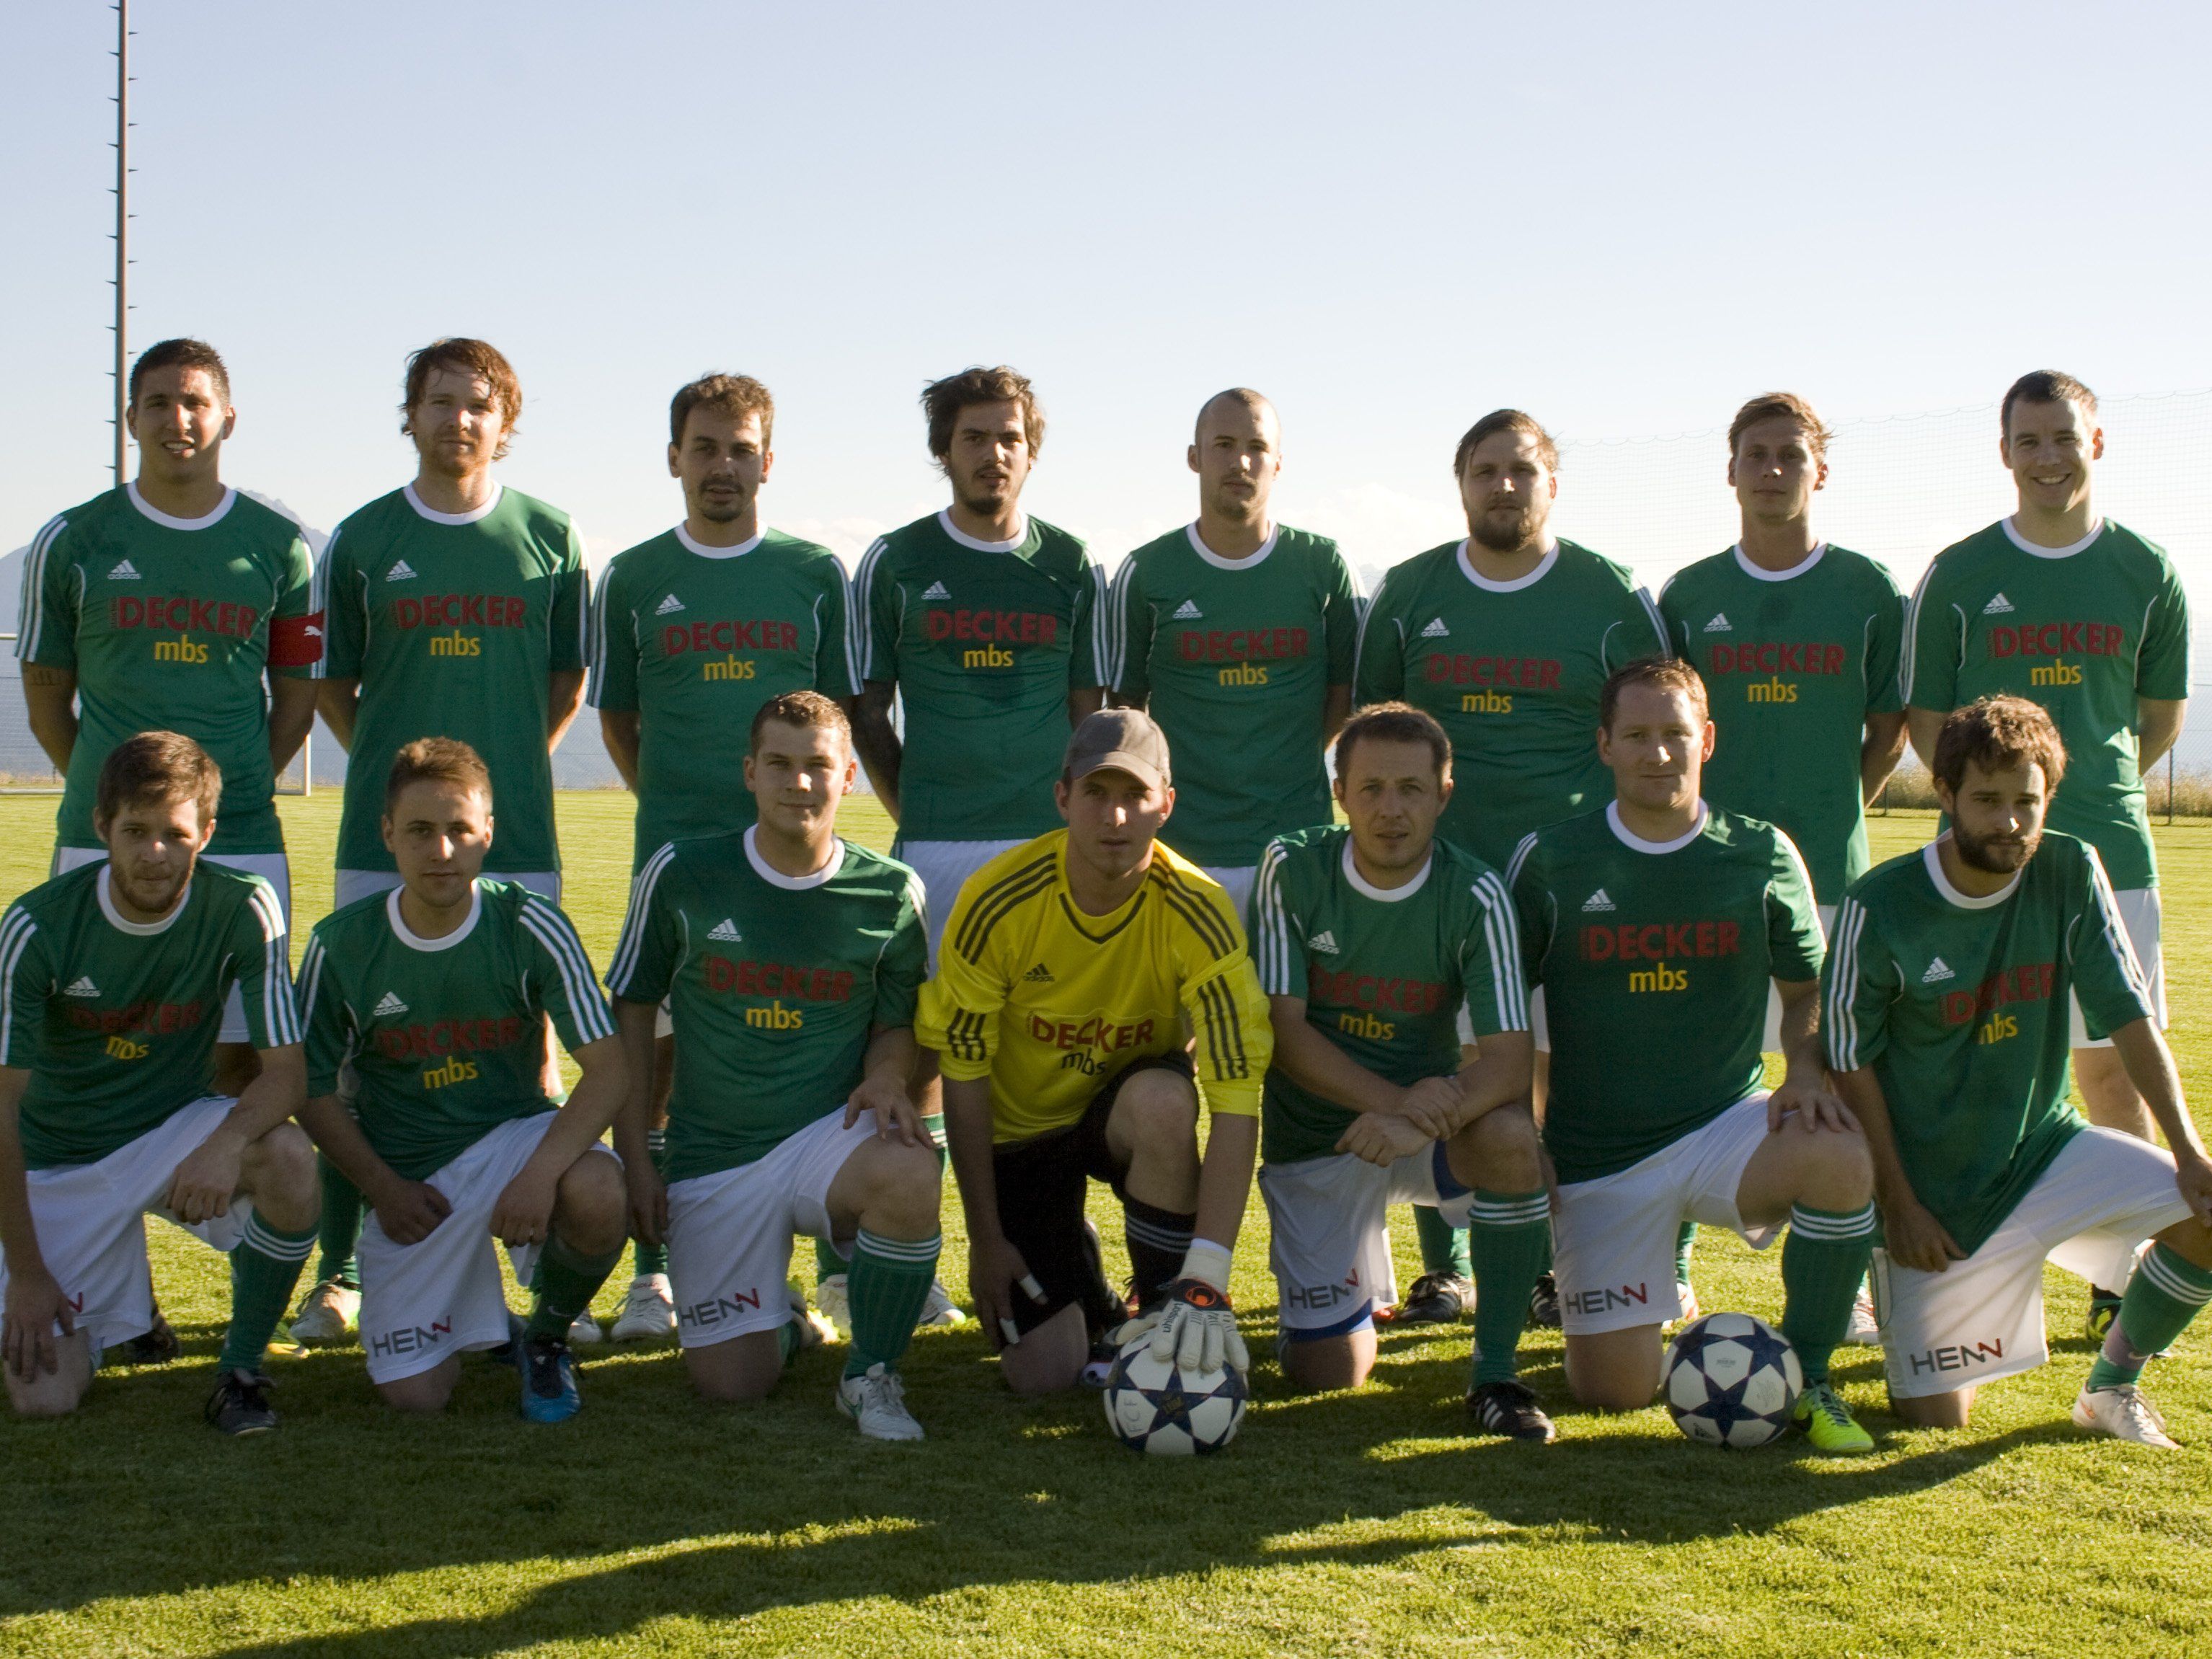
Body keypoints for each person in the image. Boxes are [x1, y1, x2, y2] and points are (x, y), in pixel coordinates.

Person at [295, 337, 592, 1347]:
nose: (459, 421)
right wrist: (407, 785)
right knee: (350, 1063)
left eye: (479, 405)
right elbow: (333, 683)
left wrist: (485, 788)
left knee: (525, 1049)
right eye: (440, 403)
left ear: (504, 421)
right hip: (386, 841)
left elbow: (563, 686)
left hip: (512, 838)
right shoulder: (363, 538)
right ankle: (336, 1275)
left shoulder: (549, 534)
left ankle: (524, 1249)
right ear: (410, 416)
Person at [1508, 658, 1879, 1453]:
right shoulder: (1549, 859)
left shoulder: (1759, 852)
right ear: (1603, 744)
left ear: (1705, 740)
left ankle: (1808, 1372)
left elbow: (1809, 988)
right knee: (1612, 1393)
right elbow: (1501, 1008)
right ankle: (1660, 1322)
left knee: (1839, 1155)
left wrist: (1803, 1072)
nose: (1658, 753)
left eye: (1674, 734)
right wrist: (1521, 1129)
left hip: (1724, 1128)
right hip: (1597, 1158)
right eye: (1636, 735)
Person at [1825, 696, 2212, 1446]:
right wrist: (1898, 1205)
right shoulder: (1881, 904)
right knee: (1934, 1419)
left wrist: (2190, 1151)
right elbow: (1849, 1062)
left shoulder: (2068, 867)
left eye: (2024, 803)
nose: (2007, 822)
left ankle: (2108, 1388)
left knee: (2206, 1214)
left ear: (2047, 800)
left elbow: (2128, 1017)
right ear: (1943, 795)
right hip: (1935, 1197)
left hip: (2043, 1152)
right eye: (1986, 801)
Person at [1355, 408, 1669, 1326]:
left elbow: (1656, 717)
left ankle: (1555, 1262)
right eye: (1485, 470)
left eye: (1521, 471)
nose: (1503, 486)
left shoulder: (1606, 593)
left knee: (1563, 1070)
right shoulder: (1411, 592)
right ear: (1459, 484)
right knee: (1440, 1058)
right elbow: (1372, 730)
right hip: (1437, 878)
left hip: (1570, 881)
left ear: (1551, 485)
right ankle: (1443, 1267)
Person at [1901, 371, 2190, 1336]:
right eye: (2029, 440)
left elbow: (2156, 720)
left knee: (2112, 1065)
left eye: (2064, 437)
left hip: (2110, 851)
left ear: (2096, 444)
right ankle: (1968, 1249)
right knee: (1980, 1061)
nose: (2049, 456)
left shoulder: (2146, 568)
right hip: (1981, 870)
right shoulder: (1960, 571)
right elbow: (1932, 723)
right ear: (2005, 453)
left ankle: (2118, 1274)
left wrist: (2071, 799)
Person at [587, 373, 860, 1344]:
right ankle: (651, 1276)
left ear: (768, 462)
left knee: (815, 1053)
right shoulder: (629, 576)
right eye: (704, 447)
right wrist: (684, 807)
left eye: (740, 449)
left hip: (797, 867)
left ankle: (838, 1272)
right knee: (656, 1062)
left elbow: (833, 721)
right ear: (674, 458)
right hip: (677, 860)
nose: (722, 466)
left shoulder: (815, 573)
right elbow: (620, 721)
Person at [605, 693, 944, 1441]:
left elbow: (897, 1025)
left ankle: (871, 1373)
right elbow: (632, 1013)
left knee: (911, 1170)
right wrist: (635, 1159)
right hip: (714, 1153)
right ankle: (782, 1320)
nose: (800, 784)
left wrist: (887, 1076)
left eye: (817, 766)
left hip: (828, 1135)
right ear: (749, 772)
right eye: (781, 765)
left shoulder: (889, 891)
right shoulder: (684, 873)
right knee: (732, 1386)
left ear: (847, 776)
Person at [916, 708, 1273, 1394]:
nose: (1115, 817)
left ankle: (1169, 1306)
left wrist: (1211, 1275)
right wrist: (986, 1237)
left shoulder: (1199, 909)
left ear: (1166, 804)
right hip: (1022, 1135)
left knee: (1168, 1101)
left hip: (1125, 1114)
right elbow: (962, 1073)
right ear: (1062, 798)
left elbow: (1235, 1097)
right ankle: (1092, 1292)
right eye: (1096, 794)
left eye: (1135, 795)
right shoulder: (997, 900)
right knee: (1042, 1375)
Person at [1657, 391, 1906, 1340]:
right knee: (1684, 1073)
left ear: (1819, 471)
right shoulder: (1688, 596)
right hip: (1706, 876)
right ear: (1731, 471)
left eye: (1789, 456)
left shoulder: (1869, 590)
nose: (1772, 471)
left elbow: (1887, 731)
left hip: (1832, 882)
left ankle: (1836, 1285)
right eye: (1755, 454)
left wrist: (1839, 804)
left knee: (1837, 1079)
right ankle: (1666, 1270)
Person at [16, 339, 320, 1107]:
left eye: (195, 403)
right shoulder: (74, 539)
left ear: (228, 418)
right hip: (101, 832)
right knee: (91, 1048)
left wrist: (241, 779)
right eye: (158, 402)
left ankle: (228, 1210)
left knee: (237, 1058)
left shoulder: (279, 547)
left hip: (241, 829)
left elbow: (295, 698)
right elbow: (48, 691)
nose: (177, 419)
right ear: (130, 418)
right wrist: (106, 789)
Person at [295, 739, 629, 1421]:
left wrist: (539, 1174)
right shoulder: (341, 944)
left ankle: (545, 1336)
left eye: (458, 830)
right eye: (420, 830)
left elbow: (610, 1068)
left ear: (488, 834)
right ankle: (488, 1325)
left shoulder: (530, 922)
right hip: (412, 1178)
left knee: (598, 1188)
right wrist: (382, 1189)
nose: (441, 850)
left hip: (514, 1143)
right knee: (416, 1397)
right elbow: (308, 1088)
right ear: (387, 833)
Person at [1249, 703, 1553, 1439]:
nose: (1391, 810)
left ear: (1444, 793)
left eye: (1411, 789)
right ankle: (1325, 1298)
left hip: (1422, 1137)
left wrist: (1408, 1120)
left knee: (1513, 1141)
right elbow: (1284, 1035)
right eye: (1372, 788)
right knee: (1329, 1372)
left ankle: (1495, 1373)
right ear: (1339, 793)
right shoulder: (1291, 866)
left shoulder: (1473, 893)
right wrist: (1394, 1106)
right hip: (1323, 1140)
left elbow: (1509, 1061)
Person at [0, 733, 315, 1434]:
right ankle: (124, 1309)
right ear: (101, 826)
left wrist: (228, 1141)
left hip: (167, 1135)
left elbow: (288, 1074)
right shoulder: (37, 927)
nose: (154, 854)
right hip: (56, 1163)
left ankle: (240, 1370)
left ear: (205, 832)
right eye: (135, 832)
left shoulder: (243, 906)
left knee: (288, 1161)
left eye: (175, 834)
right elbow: (3, 1108)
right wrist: (26, 1272)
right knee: (43, 1397)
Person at [848, 365, 1110, 965]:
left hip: (1048, 840)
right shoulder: (895, 561)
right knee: (927, 1042)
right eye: (974, 438)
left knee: (1046, 1041)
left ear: (1031, 452)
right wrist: (915, 809)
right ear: (944, 450)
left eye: (1010, 438)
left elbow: (1087, 716)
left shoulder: (1074, 563)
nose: (994, 453)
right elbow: (867, 714)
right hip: (934, 847)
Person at [1107, 388, 1362, 914]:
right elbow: (1124, 712)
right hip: (1179, 849)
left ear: (1278, 463)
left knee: (1293, 1000)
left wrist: (1290, 760)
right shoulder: (1148, 571)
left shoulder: (1324, 566)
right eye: (1223, 444)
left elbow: (1348, 693)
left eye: (1256, 446)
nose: (1240, 461)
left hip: (1299, 847)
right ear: (1194, 456)